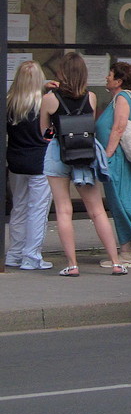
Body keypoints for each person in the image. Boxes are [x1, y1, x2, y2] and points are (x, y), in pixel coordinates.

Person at [40, 51, 126, 277]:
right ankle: (116, 262)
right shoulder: (91, 97)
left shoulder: (49, 99)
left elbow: (44, 131)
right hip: (85, 153)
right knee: (97, 210)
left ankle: (72, 264)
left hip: (59, 152)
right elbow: (91, 124)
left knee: (64, 210)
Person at [96, 61, 131, 269]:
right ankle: (126, 250)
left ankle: (126, 253)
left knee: (121, 201)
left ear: (119, 81)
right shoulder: (122, 97)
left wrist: (107, 156)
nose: (106, 78)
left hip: (118, 159)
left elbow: (119, 128)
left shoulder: (123, 98)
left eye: (110, 75)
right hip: (120, 158)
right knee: (123, 200)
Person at [5, 60, 55, 271]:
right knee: (38, 210)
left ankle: (14, 254)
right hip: (40, 163)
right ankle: (31, 256)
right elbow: (49, 133)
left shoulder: (9, 102)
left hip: (15, 162)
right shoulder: (45, 102)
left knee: (19, 207)